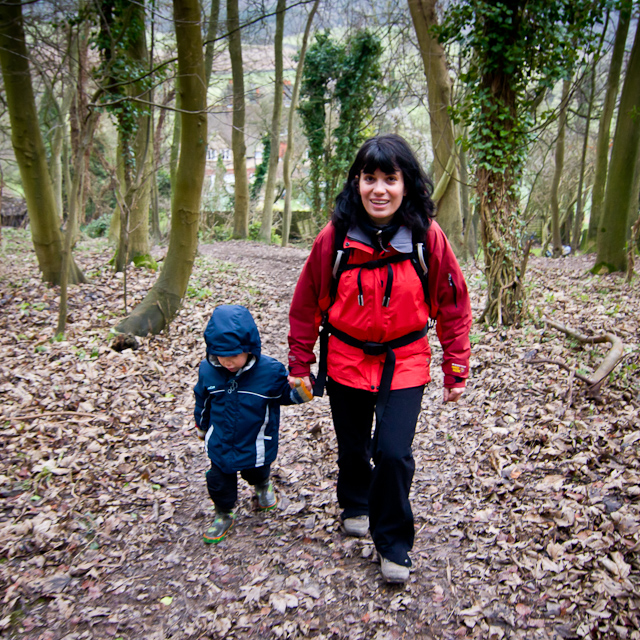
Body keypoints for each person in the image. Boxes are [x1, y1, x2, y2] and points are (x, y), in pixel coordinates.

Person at [287, 134, 472, 583]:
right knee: (353, 446)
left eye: (390, 178)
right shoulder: (335, 238)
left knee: (393, 453)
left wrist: (456, 367)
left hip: (404, 360)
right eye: (369, 178)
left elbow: (452, 302)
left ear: (406, 183)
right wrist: (299, 364)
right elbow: (307, 302)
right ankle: (354, 501)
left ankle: (392, 543)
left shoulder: (427, 237)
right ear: (356, 183)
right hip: (346, 358)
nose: (379, 189)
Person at [194, 304, 313, 544]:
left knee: (256, 471)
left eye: (234, 357)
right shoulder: (208, 370)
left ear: (249, 349)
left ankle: (262, 487)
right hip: (221, 441)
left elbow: (285, 396)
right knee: (218, 481)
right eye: (222, 356)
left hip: (256, 442)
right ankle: (223, 513)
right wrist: (202, 426)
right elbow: (202, 399)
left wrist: (301, 391)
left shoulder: (269, 371)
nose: (228, 363)